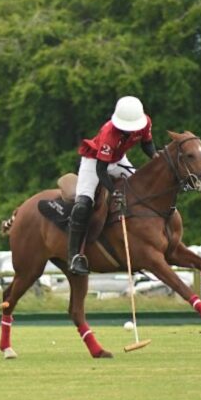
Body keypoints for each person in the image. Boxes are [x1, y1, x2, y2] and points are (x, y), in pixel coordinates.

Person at [68, 96, 158, 276]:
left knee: (142, 191)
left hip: (119, 159)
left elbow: (147, 144)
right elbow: (102, 170)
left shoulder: (145, 122)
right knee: (83, 204)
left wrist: (155, 157)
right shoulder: (109, 133)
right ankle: (74, 256)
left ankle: (141, 247)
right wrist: (113, 190)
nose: (129, 131)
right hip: (94, 162)